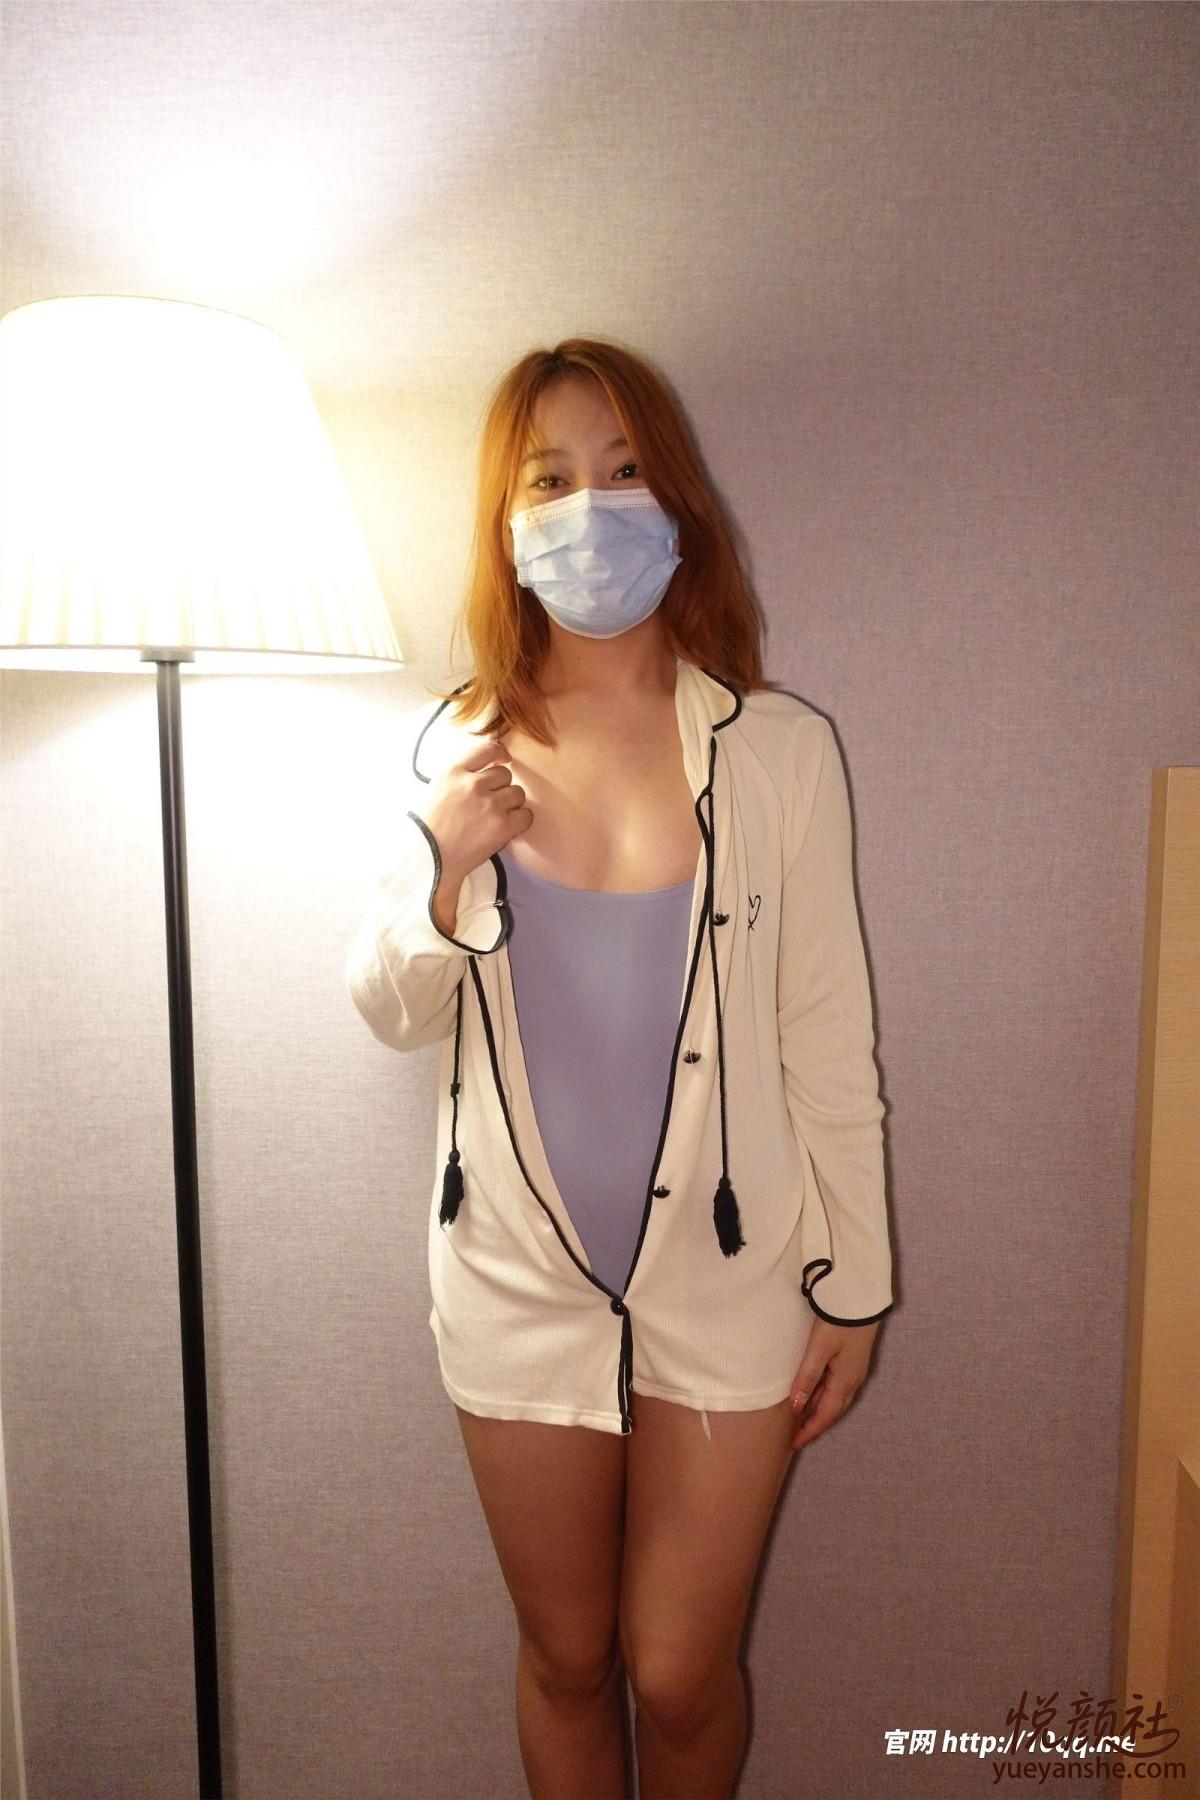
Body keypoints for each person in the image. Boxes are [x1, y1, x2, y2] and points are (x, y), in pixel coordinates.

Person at [344, 337, 895, 1800]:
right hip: (516, 1281)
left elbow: (825, 1031)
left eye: (625, 467)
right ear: (506, 523)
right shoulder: (453, 748)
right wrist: (442, 865)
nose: (590, 508)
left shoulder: (777, 752)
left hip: (731, 1273)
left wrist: (855, 1281)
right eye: (550, 479)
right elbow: (389, 1010)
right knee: (570, 1659)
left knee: (679, 1668)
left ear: (679, 499)